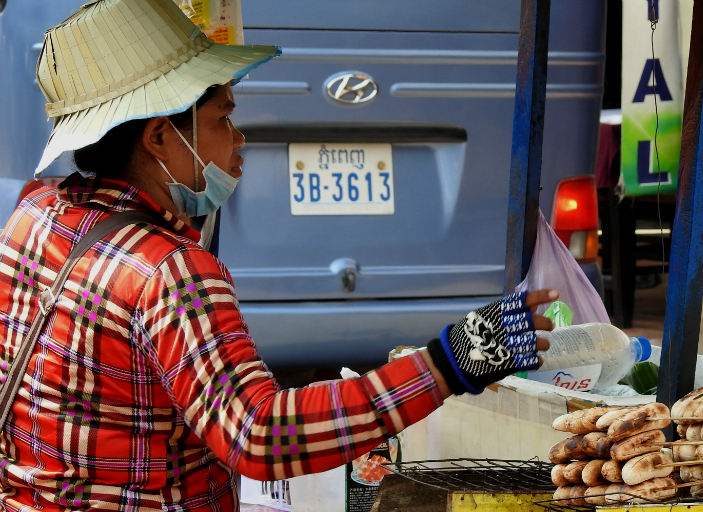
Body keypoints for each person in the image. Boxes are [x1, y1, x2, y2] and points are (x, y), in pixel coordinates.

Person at [0, 1, 557, 510]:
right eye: (222, 118)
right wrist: (446, 364)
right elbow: (259, 435)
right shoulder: (168, 271)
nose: (239, 139)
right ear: (159, 137)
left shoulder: (34, 214)